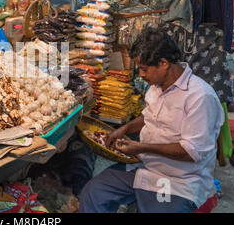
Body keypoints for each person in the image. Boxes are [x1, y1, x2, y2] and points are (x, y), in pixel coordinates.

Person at [79, 27, 224, 213]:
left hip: (179, 181)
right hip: (145, 167)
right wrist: (124, 129)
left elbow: (191, 151)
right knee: (93, 193)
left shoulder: (200, 97)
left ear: (163, 63)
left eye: (144, 69)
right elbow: (148, 116)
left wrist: (142, 147)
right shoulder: (157, 86)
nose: (141, 74)